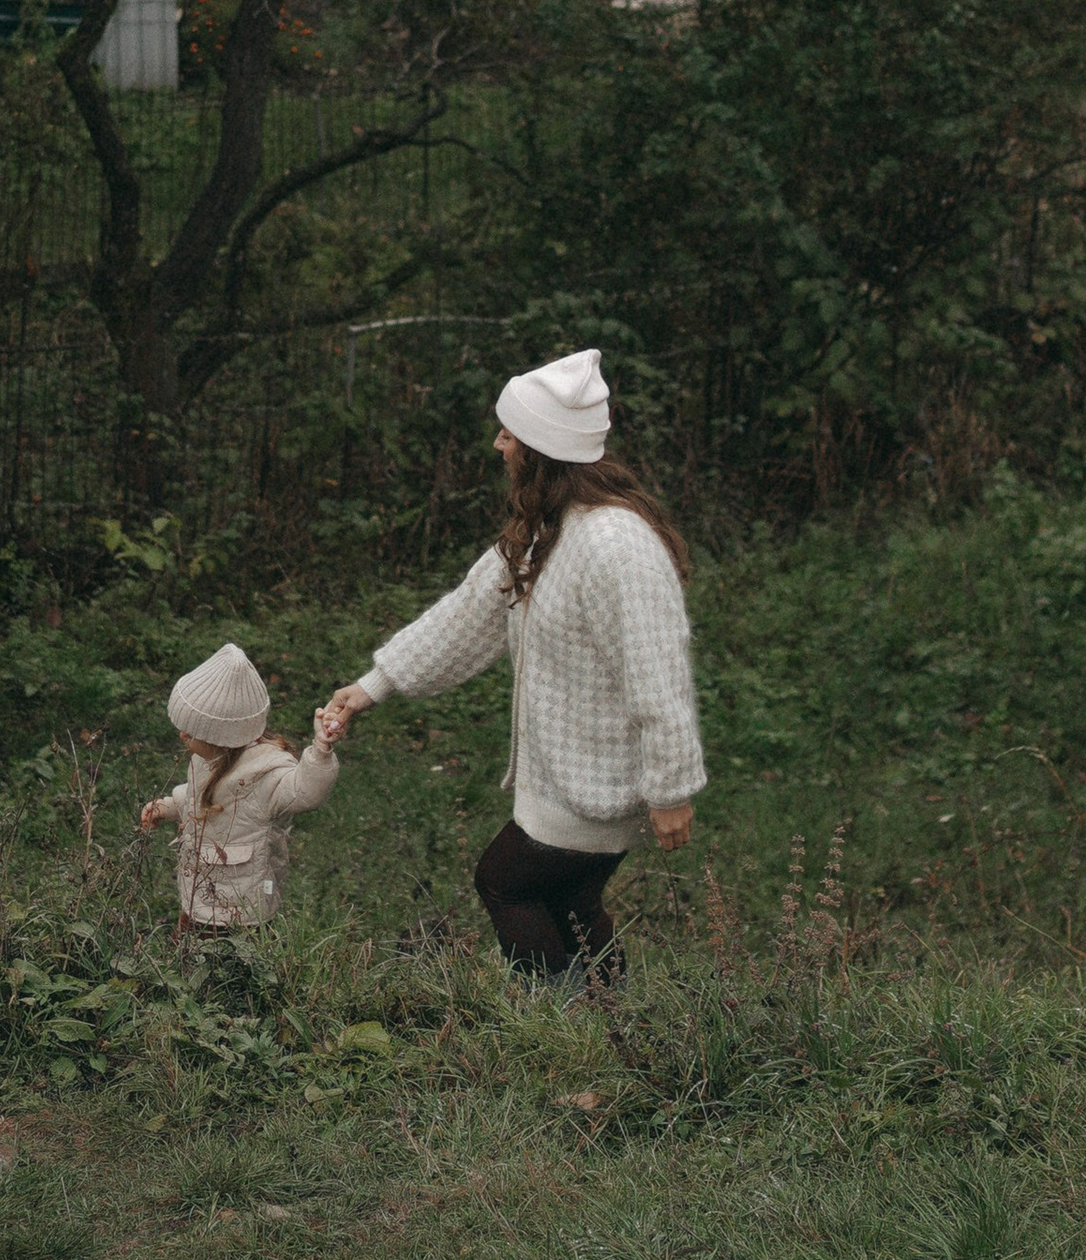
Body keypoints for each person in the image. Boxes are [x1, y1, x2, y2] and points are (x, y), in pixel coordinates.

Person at [316, 349, 699, 986]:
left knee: (505, 883)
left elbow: (657, 672)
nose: (499, 443)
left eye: (510, 433)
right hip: (566, 777)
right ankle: (615, 1018)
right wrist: (371, 686)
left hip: (598, 781)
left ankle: (561, 1017)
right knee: (571, 902)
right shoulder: (548, 531)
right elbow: (467, 616)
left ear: (543, 449)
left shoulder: (616, 544)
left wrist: (671, 788)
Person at [140, 640, 339, 944]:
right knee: (186, 953)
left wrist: (321, 751)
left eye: (192, 732)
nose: (182, 735)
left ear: (221, 738)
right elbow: (198, 797)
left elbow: (306, 792)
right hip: (199, 895)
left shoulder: (266, 776)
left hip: (243, 910)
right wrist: (169, 806)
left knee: (234, 962)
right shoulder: (206, 759)